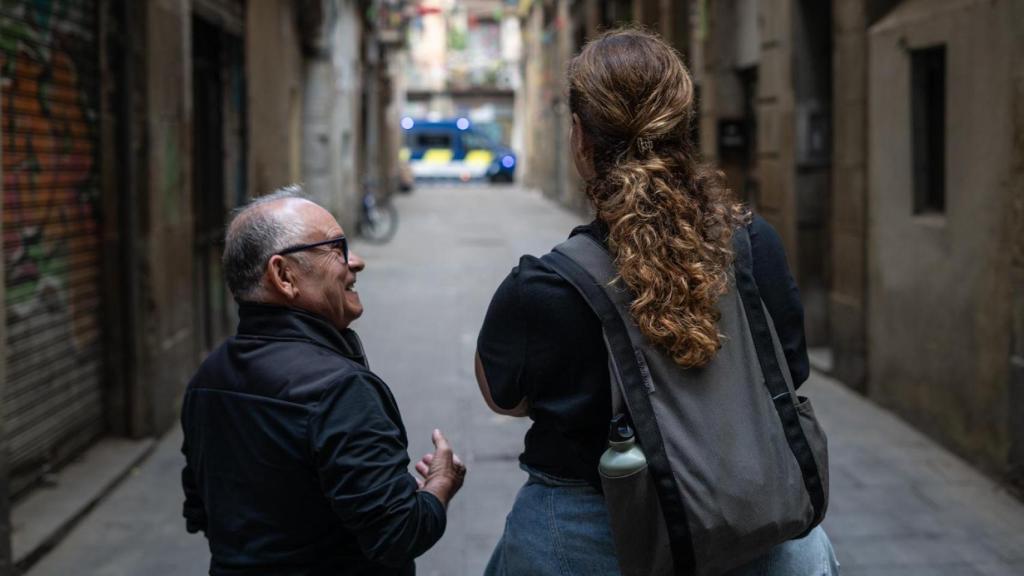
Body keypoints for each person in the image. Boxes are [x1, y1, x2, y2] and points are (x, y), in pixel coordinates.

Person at [475, 29, 840, 575]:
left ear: (580, 138)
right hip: (761, 530)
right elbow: (790, 369)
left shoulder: (542, 287)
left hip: (586, 538)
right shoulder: (756, 244)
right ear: (683, 131)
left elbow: (504, 398)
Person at [181, 186, 466, 576]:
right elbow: (399, 534)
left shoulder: (208, 375)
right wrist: (440, 484)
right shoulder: (339, 390)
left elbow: (200, 510)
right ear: (284, 275)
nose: (357, 262)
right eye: (336, 248)